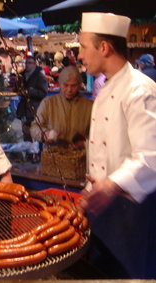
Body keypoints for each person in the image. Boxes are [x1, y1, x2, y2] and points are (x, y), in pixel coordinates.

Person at [78, 12, 156, 278]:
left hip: (131, 215)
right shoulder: (108, 88)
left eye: (83, 46)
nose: (79, 55)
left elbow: (150, 157)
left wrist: (110, 186)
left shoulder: (139, 90)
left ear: (104, 47)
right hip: (104, 212)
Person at [30, 65, 93, 148]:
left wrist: (85, 143)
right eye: (66, 85)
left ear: (79, 85)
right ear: (60, 84)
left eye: (73, 86)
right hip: (53, 156)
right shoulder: (48, 103)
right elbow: (35, 127)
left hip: (80, 157)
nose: (69, 89)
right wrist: (44, 134)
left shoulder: (89, 106)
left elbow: (99, 133)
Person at [16, 56, 48, 141]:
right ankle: (29, 151)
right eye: (26, 63)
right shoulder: (22, 75)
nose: (27, 65)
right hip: (24, 110)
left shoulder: (39, 76)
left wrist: (30, 91)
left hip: (34, 109)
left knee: (35, 132)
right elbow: (18, 88)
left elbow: (43, 93)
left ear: (34, 64)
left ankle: (36, 151)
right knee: (26, 132)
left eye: (30, 63)